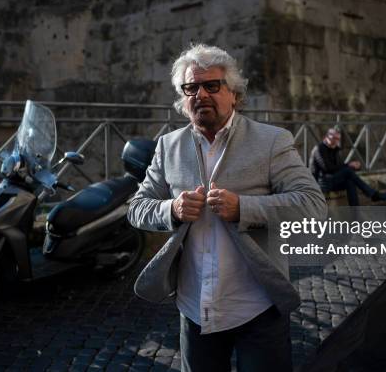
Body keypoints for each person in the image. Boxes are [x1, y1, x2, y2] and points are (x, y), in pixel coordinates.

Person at [128, 44, 326, 372]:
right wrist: (172, 210)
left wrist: (244, 208)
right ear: (182, 97)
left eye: (212, 85)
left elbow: (312, 204)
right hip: (194, 308)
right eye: (191, 87)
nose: (200, 94)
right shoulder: (168, 145)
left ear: (233, 93)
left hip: (258, 307)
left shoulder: (271, 140)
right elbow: (137, 208)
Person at [310, 127, 386, 206]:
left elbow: (339, 167)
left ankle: (355, 214)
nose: (335, 141)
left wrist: (353, 166)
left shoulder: (334, 149)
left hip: (331, 181)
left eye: (337, 139)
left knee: (350, 181)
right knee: (347, 172)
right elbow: (327, 168)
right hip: (321, 183)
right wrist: (348, 165)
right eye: (333, 138)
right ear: (326, 137)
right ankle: (374, 195)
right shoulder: (319, 149)